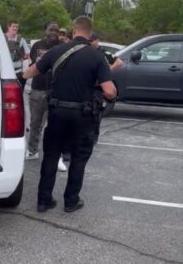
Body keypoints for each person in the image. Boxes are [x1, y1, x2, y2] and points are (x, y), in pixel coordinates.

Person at [23, 16, 117, 213]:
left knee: (51, 156)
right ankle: (71, 201)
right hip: (82, 116)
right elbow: (109, 91)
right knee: (78, 158)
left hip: (57, 112)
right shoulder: (96, 56)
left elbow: (28, 73)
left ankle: (43, 200)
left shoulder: (55, 51)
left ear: (74, 31)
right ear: (89, 34)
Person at [25, 22, 67, 172]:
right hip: (38, 88)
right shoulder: (37, 45)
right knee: (35, 122)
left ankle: (57, 157)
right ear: (45, 31)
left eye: (56, 30)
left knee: (56, 125)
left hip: (56, 91)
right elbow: (33, 65)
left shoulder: (64, 46)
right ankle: (32, 151)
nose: (53, 32)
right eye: (51, 30)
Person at [89, 32, 123, 144]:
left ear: (97, 40)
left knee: (96, 113)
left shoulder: (104, 53)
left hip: (99, 88)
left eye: (92, 40)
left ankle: (94, 138)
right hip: (88, 86)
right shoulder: (87, 51)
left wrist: (108, 71)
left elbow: (119, 62)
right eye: (89, 40)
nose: (91, 42)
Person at [5, 21, 30, 89]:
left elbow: (27, 55)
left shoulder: (21, 40)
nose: (15, 28)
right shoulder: (1, 38)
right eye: (13, 26)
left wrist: (25, 70)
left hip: (18, 72)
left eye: (17, 27)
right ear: (8, 27)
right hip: (4, 72)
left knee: (18, 94)